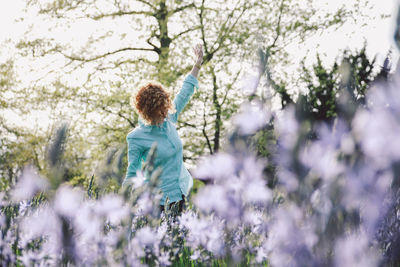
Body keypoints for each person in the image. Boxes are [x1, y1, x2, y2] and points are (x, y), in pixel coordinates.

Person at [122, 44, 203, 214]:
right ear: (148, 113)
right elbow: (132, 172)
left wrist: (198, 63)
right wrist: (123, 204)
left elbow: (185, 91)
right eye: (161, 111)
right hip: (158, 204)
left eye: (166, 107)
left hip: (183, 194)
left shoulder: (169, 118)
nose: (166, 113)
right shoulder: (136, 138)